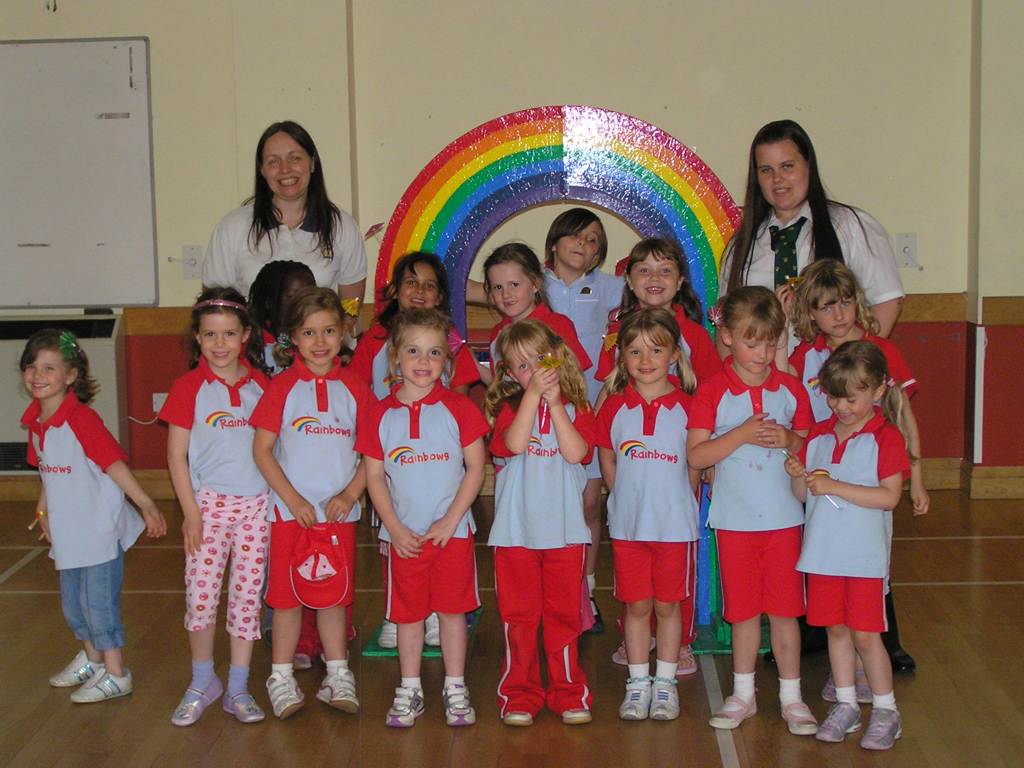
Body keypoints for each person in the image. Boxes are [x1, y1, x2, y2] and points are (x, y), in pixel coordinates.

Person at [686, 287, 817, 736]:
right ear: (726, 336)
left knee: (785, 612)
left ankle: (791, 696)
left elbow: (812, 446)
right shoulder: (712, 391)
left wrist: (793, 441)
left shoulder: (791, 391)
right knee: (742, 614)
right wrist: (740, 434)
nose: (762, 354)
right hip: (734, 522)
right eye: (751, 342)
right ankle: (743, 694)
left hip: (785, 521)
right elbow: (697, 455)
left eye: (770, 343)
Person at [358, 309, 488, 728]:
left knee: (452, 613)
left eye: (434, 352)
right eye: (413, 351)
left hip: (452, 535)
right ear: (395, 356)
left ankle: (455, 686)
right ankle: (410, 687)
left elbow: (476, 468)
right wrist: (394, 528)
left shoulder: (459, 409)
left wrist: (451, 520)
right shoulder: (380, 414)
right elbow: (373, 477)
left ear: (446, 360)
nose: (423, 361)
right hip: (404, 537)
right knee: (408, 616)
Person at [21, 329, 166, 703]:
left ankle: (117, 674)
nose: (38, 375)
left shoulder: (81, 420)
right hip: (69, 532)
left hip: (99, 530)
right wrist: (43, 507)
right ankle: (92, 661)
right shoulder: (36, 422)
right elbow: (47, 471)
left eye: (49, 368)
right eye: (32, 366)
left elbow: (113, 465)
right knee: (73, 606)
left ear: (71, 376)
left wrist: (146, 503)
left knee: (98, 605)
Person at [596, 237, 719, 669]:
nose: (654, 278)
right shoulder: (617, 333)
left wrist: (706, 461)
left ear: (681, 280)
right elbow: (607, 392)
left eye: (665, 270)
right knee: (633, 568)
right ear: (629, 280)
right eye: (644, 270)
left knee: (675, 566)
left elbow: (712, 396)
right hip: (635, 473)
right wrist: (617, 484)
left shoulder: (696, 336)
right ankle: (637, 638)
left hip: (680, 465)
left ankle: (679, 640)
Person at [350, 252, 481, 651]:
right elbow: (357, 391)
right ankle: (400, 612)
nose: (420, 291)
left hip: (436, 449)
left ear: (440, 295)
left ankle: (439, 613)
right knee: (394, 537)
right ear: (395, 290)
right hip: (391, 449)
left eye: (429, 285)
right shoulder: (375, 340)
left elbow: (461, 392)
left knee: (443, 543)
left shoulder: (451, 340)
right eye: (411, 282)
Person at [785, 341, 912, 750]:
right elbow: (803, 496)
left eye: (851, 398)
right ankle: (846, 704)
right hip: (823, 556)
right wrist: (798, 474)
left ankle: (887, 711)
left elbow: (889, 497)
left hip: (863, 560)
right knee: (836, 631)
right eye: (834, 397)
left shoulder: (886, 438)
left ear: (878, 391)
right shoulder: (818, 436)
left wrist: (835, 485)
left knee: (866, 637)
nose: (841, 406)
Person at [250, 287, 369, 719]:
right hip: (290, 516)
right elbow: (262, 450)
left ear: (344, 332)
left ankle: (337, 673)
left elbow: (372, 455)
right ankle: (280, 676)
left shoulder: (356, 388)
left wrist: (350, 494)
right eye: (309, 332)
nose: (320, 341)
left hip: (338, 516)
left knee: (333, 598)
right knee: (286, 599)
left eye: (329, 331)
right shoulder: (282, 388)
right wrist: (292, 499)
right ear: (294, 339)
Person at [159, 289, 271, 726]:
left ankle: (238, 686)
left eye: (228, 334)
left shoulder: (262, 386)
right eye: (210, 335)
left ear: (245, 335)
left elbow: (274, 448)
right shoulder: (188, 388)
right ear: (198, 338)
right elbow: (176, 456)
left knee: (247, 599)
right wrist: (191, 513)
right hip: (207, 509)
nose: (219, 344)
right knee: (201, 596)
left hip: (256, 507)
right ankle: (203, 680)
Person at [484, 319, 596, 726]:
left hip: (565, 535)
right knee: (519, 619)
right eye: (522, 365)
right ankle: (519, 694)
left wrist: (556, 404)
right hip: (515, 535)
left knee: (564, 617)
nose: (533, 371)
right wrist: (532, 397)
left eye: (540, 360)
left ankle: (568, 692)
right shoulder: (507, 410)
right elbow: (513, 445)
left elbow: (577, 453)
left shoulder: (579, 409)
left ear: (558, 357)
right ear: (510, 374)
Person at [596, 308, 701, 721]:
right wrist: (620, 494)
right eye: (635, 351)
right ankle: (638, 682)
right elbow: (607, 456)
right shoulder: (613, 408)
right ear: (622, 357)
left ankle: (666, 683)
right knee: (637, 607)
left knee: (668, 607)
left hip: (674, 528)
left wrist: (681, 499)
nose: (645, 360)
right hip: (629, 528)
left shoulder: (690, 407)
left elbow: (695, 464)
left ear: (674, 355)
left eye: (656, 350)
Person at [720, 119, 904, 339]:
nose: (777, 179)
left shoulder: (851, 226)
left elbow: (887, 301)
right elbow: (727, 319)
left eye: (787, 166)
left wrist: (855, 356)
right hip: (764, 361)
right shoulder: (742, 245)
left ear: (808, 165)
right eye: (766, 170)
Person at [542, 209, 624, 632]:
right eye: (575, 235)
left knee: (590, 503)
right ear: (555, 242)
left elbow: (650, 283)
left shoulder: (609, 287)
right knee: (550, 505)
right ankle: (550, 590)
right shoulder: (535, 283)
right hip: (545, 414)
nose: (583, 244)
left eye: (593, 241)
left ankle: (585, 591)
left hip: (590, 411)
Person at [202, 120, 367, 309]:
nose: (285, 169)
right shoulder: (233, 227)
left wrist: (334, 327)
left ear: (312, 163)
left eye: (295, 158)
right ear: (262, 170)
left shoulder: (342, 226)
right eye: (273, 161)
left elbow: (350, 307)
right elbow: (214, 306)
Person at [483, 243, 592, 382]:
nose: (506, 294)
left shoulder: (557, 325)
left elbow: (572, 376)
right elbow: (499, 384)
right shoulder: (497, 333)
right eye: (498, 287)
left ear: (535, 284)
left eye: (514, 284)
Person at [248, 260, 316, 374]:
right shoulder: (254, 344)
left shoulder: (320, 340)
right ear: (269, 300)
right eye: (293, 297)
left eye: (310, 296)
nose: (303, 303)